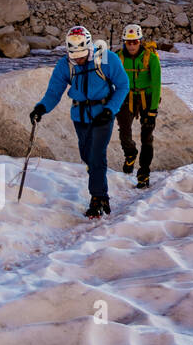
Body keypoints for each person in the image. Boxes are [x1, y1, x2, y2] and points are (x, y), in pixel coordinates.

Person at [30, 25, 130, 218]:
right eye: (74, 55)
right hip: (80, 116)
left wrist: (110, 109)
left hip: (103, 114)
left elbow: (123, 85)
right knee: (87, 155)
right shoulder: (65, 65)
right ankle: (97, 177)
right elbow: (54, 92)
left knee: (96, 155)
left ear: (89, 47)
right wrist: (41, 108)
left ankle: (98, 198)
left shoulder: (106, 58)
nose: (78, 59)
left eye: (82, 54)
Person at [115, 23, 161, 190]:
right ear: (124, 42)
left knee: (146, 137)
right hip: (126, 97)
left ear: (141, 41)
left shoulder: (151, 58)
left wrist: (153, 110)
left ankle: (144, 174)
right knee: (124, 133)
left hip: (147, 98)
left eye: (135, 42)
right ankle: (130, 153)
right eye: (129, 42)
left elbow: (156, 84)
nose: (132, 45)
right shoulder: (118, 57)